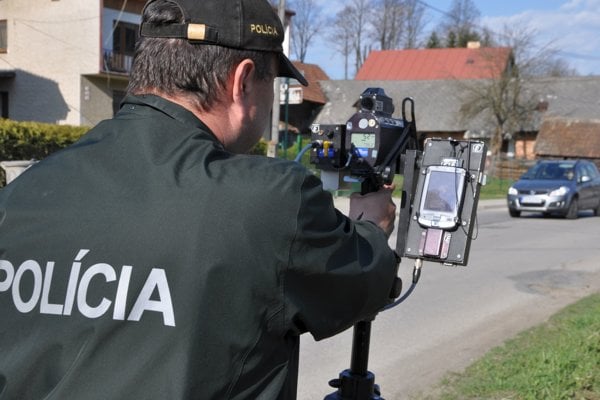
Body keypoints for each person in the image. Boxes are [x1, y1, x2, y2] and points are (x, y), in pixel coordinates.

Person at [0, 0, 399, 399]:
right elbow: (365, 283)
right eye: (271, 84)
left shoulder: (21, 194)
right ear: (242, 82)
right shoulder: (269, 201)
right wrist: (372, 229)